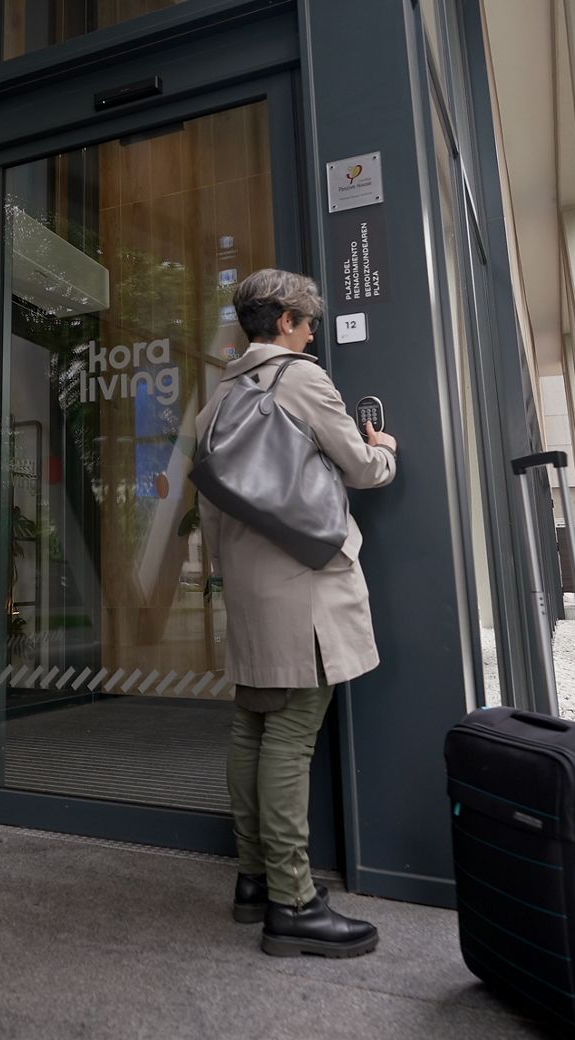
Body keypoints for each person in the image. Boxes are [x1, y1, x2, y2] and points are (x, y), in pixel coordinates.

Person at [195, 268, 398, 958]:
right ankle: (293, 902)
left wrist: (229, 574)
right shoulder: (301, 379)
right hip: (303, 582)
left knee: (252, 725)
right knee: (290, 736)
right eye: (308, 323)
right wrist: (385, 452)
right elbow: (359, 467)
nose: (313, 336)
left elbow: (210, 508)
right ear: (284, 320)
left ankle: (254, 880)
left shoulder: (219, 397)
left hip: (250, 586)